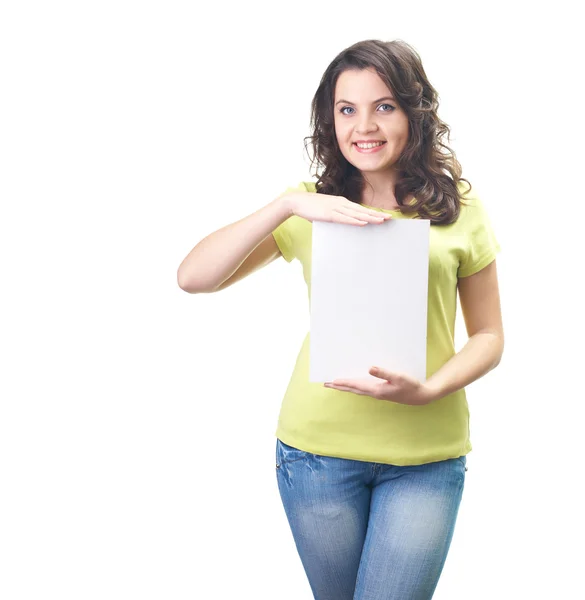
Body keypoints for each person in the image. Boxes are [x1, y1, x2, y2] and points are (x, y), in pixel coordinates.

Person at [177, 39, 504, 600]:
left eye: (384, 106)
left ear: (413, 110)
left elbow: (490, 336)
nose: (364, 125)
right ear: (330, 121)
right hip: (317, 455)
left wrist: (430, 389)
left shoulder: (458, 209)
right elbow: (193, 277)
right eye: (346, 109)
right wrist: (284, 205)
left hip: (424, 458)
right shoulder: (311, 207)